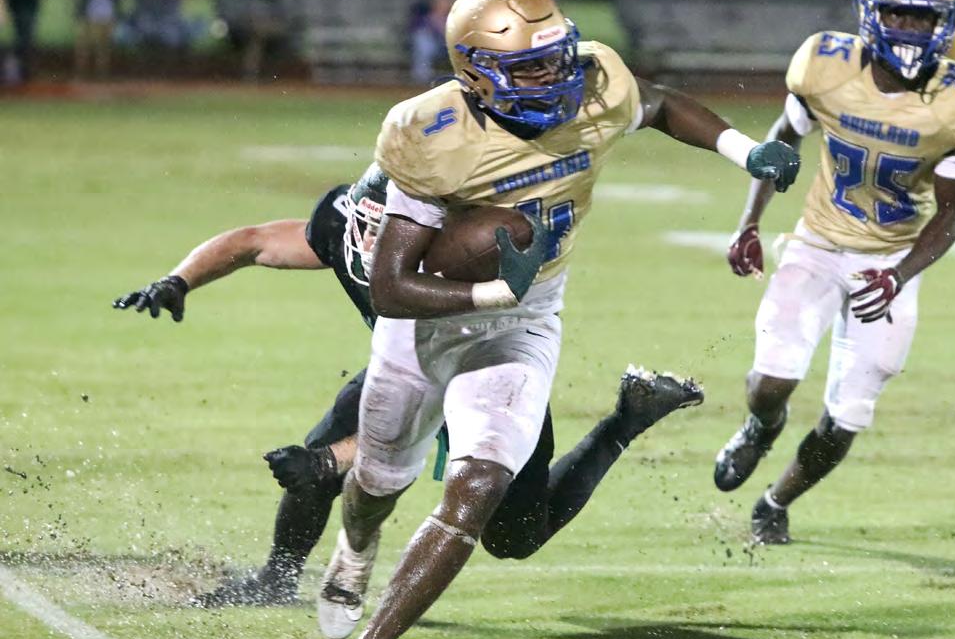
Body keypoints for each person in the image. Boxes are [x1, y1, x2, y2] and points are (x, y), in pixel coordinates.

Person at [319, 0, 801, 639]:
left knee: (480, 485)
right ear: (477, 72)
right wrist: (493, 289)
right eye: (531, 67)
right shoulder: (428, 130)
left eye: (558, 58)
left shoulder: (596, 82)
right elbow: (391, 287)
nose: (556, 77)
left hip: (525, 320)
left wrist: (744, 149)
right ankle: (354, 553)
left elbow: (659, 103)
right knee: (378, 481)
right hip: (428, 317)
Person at [113, 164, 705, 615]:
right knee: (318, 458)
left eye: (394, 231)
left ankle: (625, 421)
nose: (378, 242)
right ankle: (277, 576)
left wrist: (331, 459)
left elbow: (425, 413)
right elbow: (255, 240)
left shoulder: (455, 265)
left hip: (486, 375)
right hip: (405, 365)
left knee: (513, 538)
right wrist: (178, 279)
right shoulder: (344, 224)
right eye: (371, 225)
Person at [713, 0, 955, 545]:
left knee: (847, 416)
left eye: (924, 18)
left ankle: (775, 502)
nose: (911, 29)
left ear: (944, 22)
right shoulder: (825, 65)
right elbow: (780, 144)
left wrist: (900, 273)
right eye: (898, 14)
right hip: (818, 242)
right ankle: (762, 426)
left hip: (891, 260)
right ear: (870, 13)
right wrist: (749, 223)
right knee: (771, 380)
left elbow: (953, 211)